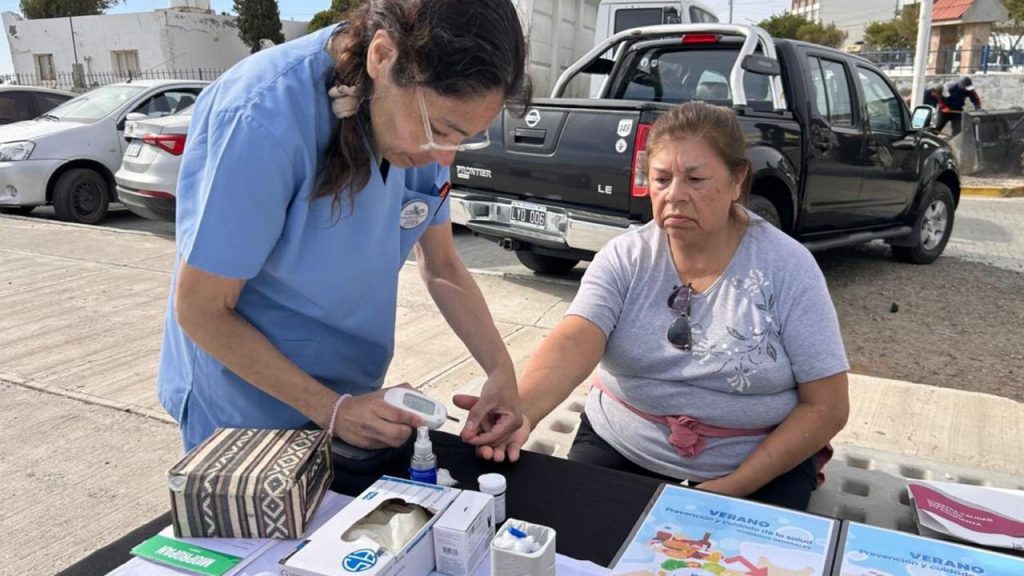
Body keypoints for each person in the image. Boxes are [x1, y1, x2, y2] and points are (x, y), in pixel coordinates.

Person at [158, 0, 531, 453]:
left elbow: (443, 266)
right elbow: (202, 309)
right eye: (440, 129)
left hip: (350, 405)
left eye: (463, 138)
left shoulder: (420, 135)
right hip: (244, 411)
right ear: (382, 56)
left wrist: (500, 371)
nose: (445, 157)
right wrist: (330, 408)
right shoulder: (261, 117)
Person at [481, 102, 850, 511]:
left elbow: (827, 406)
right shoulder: (626, 256)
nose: (675, 195)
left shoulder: (788, 267)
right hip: (625, 441)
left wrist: (732, 486)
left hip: (755, 462)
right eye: (661, 179)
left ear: (737, 179)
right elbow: (575, 340)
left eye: (695, 179)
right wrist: (522, 410)